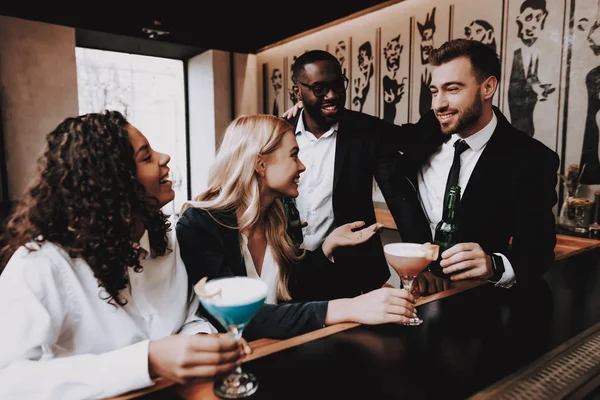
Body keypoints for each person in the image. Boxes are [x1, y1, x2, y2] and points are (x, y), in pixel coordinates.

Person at [0, 111, 246, 399]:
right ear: (111, 183)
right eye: (146, 157)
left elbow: (188, 315)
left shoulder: (164, 239)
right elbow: (9, 380)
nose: (164, 157)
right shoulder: (42, 263)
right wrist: (147, 360)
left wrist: (197, 343)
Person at [176, 115, 420, 340]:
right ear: (260, 165)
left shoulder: (277, 216)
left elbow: (296, 287)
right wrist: (349, 307)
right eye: (293, 155)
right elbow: (238, 318)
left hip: (280, 352)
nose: (302, 166)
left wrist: (334, 252)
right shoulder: (198, 225)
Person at [281, 49, 447, 299]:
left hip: (353, 276)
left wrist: (424, 261)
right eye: (319, 89)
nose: (332, 96)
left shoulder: (366, 131)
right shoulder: (279, 131)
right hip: (289, 270)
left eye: (339, 86)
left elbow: (399, 196)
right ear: (298, 92)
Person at [406, 39, 559, 288]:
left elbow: (538, 252)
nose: (438, 104)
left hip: (480, 304)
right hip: (417, 297)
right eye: (435, 91)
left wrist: (493, 265)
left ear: (487, 87)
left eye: (452, 89)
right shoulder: (425, 133)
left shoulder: (532, 159)